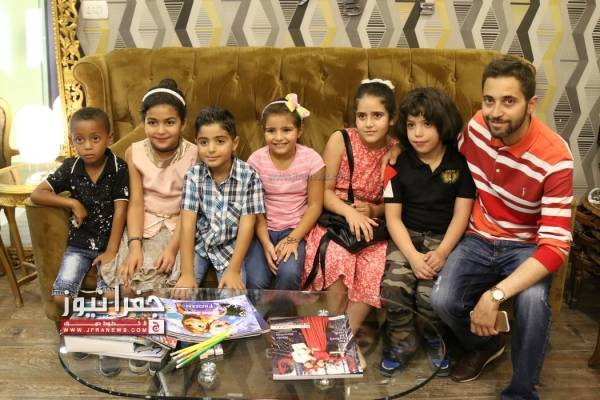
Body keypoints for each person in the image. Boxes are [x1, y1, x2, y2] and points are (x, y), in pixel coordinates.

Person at [426, 56, 573, 399]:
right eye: (489, 100)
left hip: (526, 246)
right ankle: (486, 345)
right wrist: (398, 155)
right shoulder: (478, 127)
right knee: (442, 300)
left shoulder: (555, 158)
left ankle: (521, 392)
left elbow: (556, 247)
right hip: (479, 236)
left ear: (531, 104)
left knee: (533, 302)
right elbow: (443, 153)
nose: (495, 112)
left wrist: (494, 295)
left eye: (509, 101)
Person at [379, 88, 476, 377]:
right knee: (393, 287)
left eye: (427, 124)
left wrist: (443, 252)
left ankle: (434, 338)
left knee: (430, 295)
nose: (417, 133)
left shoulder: (460, 164)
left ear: (443, 124)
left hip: (443, 239)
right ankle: (401, 341)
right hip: (406, 237)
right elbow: (393, 219)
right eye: (411, 125)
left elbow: (462, 214)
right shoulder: (397, 165)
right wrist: (412, 256)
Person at [302, 79, 398, 334]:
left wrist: (374, 210)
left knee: (373, 265)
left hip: (372, 225)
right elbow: (323, 192)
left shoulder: (395, 150)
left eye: (377, 116)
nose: (368, 123)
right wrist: (350, 212)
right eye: (362, 116)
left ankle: (344, 337)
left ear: (392, 119)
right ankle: (330, 329)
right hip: (337, 219)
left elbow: (394, 201)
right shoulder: (340, 140)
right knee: (338, 257)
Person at [100, 79, 197, 294]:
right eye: (152, 122)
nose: (160, 130)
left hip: (179, 225)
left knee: (158, 280)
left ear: (183, 123)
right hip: (142, 224)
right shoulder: (134, 152)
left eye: (169, 122)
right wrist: (135, 245)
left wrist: (173, 248)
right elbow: (136, 203)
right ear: (143, 122)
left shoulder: (194, 155)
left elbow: (189, 209)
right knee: (124, 282)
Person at [31, 107, 128, 307]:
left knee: (112, 297)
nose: (87, 146)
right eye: (79, 140)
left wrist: (111, 251)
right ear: (72, 140)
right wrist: (72, 202)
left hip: (113, 244)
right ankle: (79, 322)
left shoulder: (119, 168)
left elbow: (121, 210)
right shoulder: (70, 167)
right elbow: (37, 194)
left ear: (109, 138)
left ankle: (103, 320)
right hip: (79, 245)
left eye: (95, 138)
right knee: (61, 298)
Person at [175, 106, 265, 289]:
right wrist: (187, 273)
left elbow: (247, 225)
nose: (211, 149)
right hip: (201, 245)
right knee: (182, 293)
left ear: (235, 143)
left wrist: (233, 270)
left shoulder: (249, 176)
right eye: (204, 142)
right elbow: (187, 224)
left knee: (233, 298)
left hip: (229, 250)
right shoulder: (193, 176)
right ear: (196, 143)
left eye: (220, 141)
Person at [244, 93, 325, 290]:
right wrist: (266, 243)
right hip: (262, 229)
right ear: (263, 131)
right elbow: (254, 208)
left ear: (299, 130)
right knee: (255, 279)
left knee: (289, 273)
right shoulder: (255, 161)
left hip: (296, 229)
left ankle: (284, 311)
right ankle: (257, 312)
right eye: (271, 131)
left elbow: (315, 206)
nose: (278, 137)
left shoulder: (312, 160)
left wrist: (293, 239)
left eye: (287, 130)